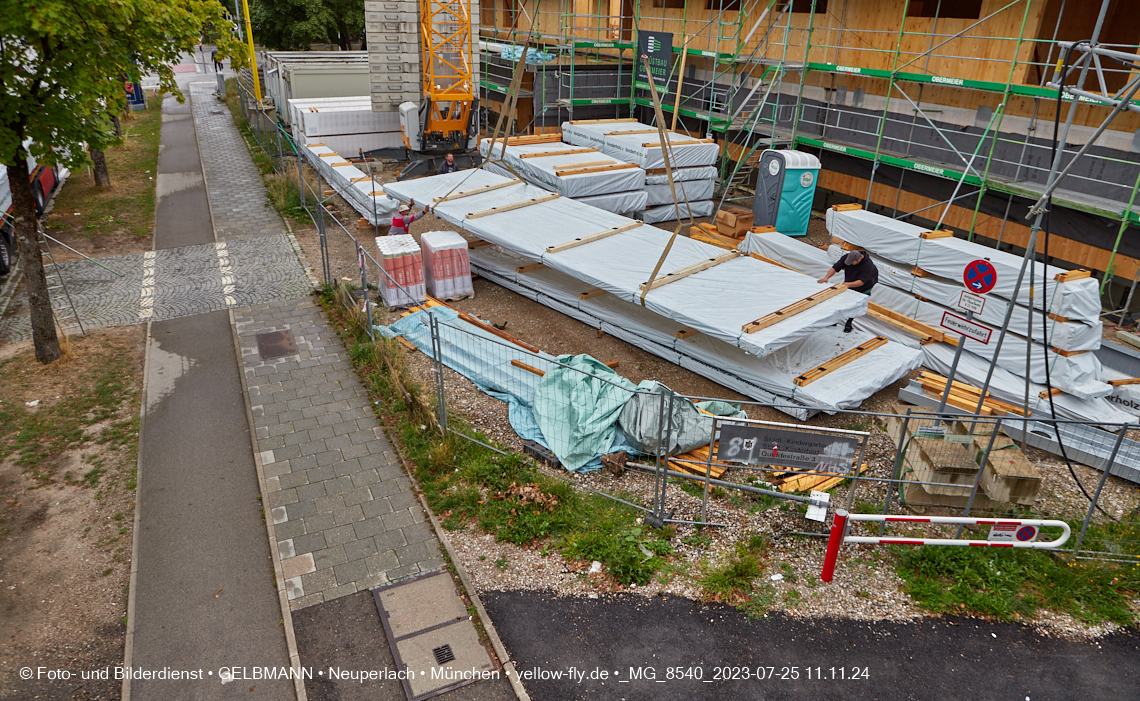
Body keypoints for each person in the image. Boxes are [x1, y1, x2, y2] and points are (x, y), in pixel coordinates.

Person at [818, 249, 878, 333]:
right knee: (842, 299)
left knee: (855, 303)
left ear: (859, 259)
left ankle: (849, 323)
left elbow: (861, 282)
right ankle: (835, 320)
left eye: (852, 263)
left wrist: (848, 284)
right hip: (851, 280)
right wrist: (826, 277)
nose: (850, 264)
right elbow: (836, 267)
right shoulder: (847, 257)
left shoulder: (868, 265)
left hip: (865, 285)